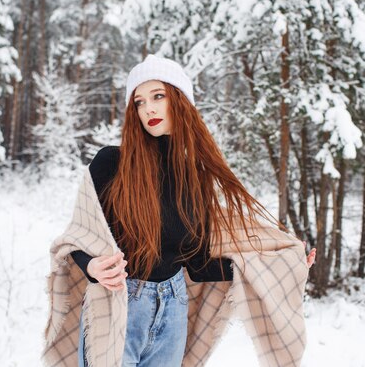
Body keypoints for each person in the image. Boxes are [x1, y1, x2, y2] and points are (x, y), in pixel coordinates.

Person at [43, 54, 316, 367]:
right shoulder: (110, 164)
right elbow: (78, 238)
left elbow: (197, 263)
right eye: (139, 102)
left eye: (158, 96)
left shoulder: (194, 175)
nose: (149, 109)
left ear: (181, 100)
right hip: (120, 303)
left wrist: (284, 263)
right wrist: (92, 266)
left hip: (173, 309)